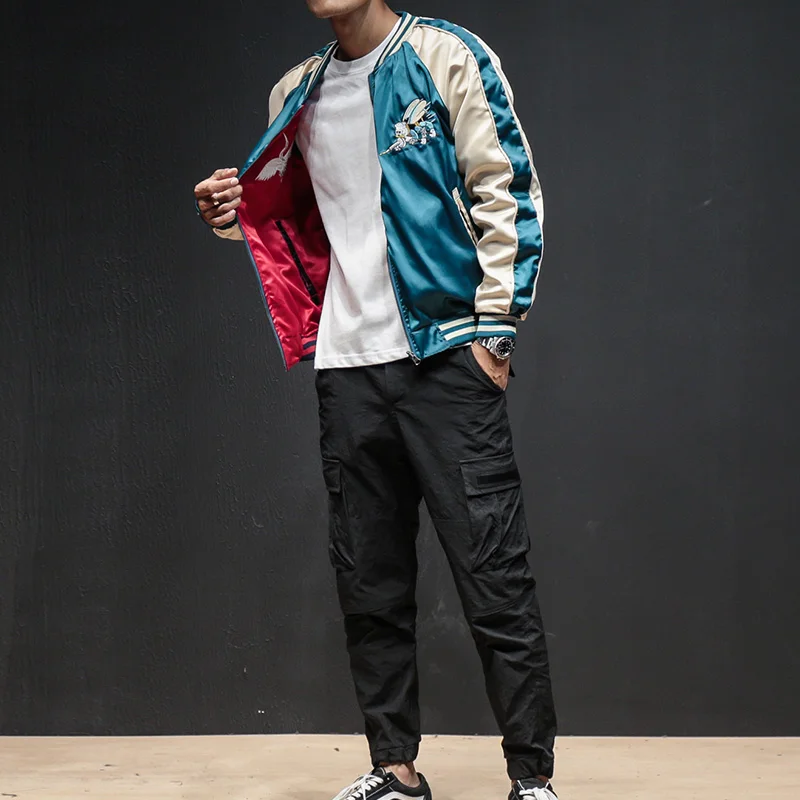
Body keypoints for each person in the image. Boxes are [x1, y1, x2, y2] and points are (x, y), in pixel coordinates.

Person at [193, 2, 558, 799]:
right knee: (369, 581)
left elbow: (508, 189)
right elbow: (301, 214)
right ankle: (395, 769)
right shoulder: (296, 90)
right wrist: (232, 212)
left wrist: (493, 334)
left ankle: (531, 778)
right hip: (347, 365)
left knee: (494, 575)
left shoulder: (445, 55)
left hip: (445, 356)